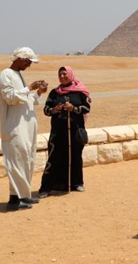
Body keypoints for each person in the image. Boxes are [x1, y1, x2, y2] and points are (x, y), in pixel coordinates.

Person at [0, 47, 48, 211]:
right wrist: (29, 88)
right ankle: (14, 200)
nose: (29, 65)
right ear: (20, 58)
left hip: (26, 127)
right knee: (17, 161)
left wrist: (38, 93)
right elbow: (10, 98)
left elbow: (25, 100)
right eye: (28, 61)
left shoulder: (18, 75)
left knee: (26, 160)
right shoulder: (6, 74)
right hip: (14, 127)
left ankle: (23, 195)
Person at [38, 66, 92, 198]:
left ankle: (77, 183)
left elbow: (86, 108)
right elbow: (46, 109)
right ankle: (46, 188)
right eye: (60, 75)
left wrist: (74, 108)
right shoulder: (54, 93)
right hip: (58, 132)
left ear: (71, 74)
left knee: (75, 157)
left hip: (75, 131)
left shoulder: (80, 92)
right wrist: (53, 110)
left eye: (64, 74)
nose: (62, 76)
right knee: (54, 158)